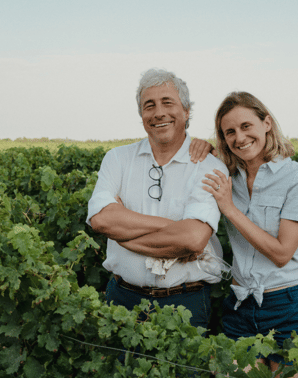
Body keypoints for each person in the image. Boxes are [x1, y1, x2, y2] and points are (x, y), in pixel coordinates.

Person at [87, 68, 229, 332]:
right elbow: (102, 219)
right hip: (122, 299)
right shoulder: (117, 159)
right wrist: (174, 227)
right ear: (142, 116)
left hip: (185, 302)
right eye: (149, 106)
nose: (158, 113)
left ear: (186, 112)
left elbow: (193, 240)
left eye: (168, 103)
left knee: (183, 373)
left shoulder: (209, 165)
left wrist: (124, 235)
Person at [202, 91, 298, 378]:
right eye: (229, 132)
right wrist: (200, 146)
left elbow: (282, 253)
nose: (239, 138)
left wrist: (229, 208)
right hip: (241, 305)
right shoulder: (229, 176)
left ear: (266, 122)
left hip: (292, 305)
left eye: (246, 126)